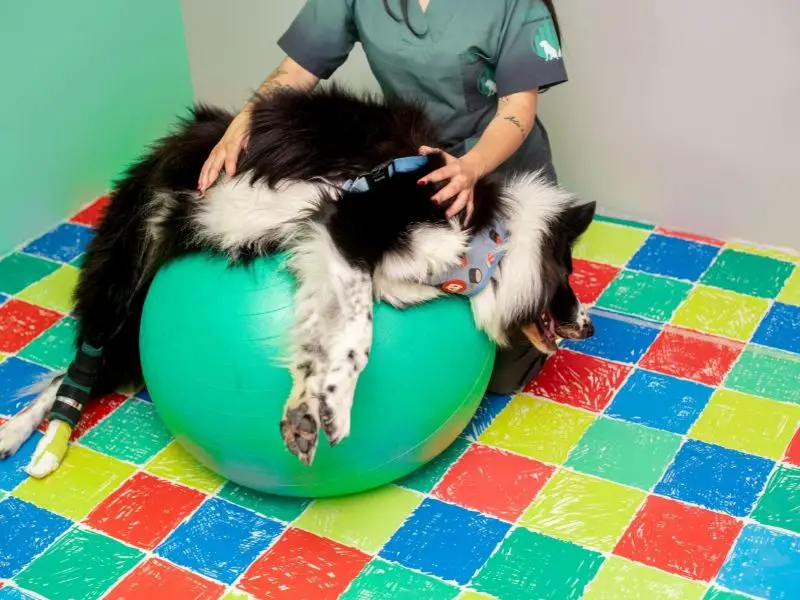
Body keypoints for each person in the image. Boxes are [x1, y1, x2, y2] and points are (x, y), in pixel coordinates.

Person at [198, 0, 568, 395]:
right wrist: (248, 118)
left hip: (502, 180)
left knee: (501, 377)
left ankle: (537, 299)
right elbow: (296, 70)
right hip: (420, 175)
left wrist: (470, 167)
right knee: (415, 344)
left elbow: (518, 109)